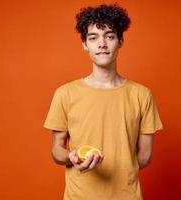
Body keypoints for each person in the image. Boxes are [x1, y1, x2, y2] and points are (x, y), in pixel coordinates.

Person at [43, 3, 163, 200]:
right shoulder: (65, 93)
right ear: (84, 44)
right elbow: (57, 150)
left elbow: (145, 156)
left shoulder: (142, 95)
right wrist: (71, 156)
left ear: (121, 41)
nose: (102, 44)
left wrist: (119, 169)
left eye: (109, 36)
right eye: (93, 38)